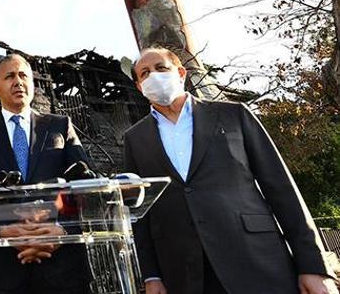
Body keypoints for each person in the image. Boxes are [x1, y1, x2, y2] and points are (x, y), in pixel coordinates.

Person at [124, 46, 337, 294]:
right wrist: (151, 276)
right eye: (145, 73)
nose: (153, 76)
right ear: (140, 87)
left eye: (161, 68)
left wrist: (313, 266)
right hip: (185, 273)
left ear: (181, 73)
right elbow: (140, 212)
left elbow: (281, 189)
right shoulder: (135, 139)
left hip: (257, 260)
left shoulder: (233, 115)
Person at [0, 54, 91, 294]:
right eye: (10, 76)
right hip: (5, 270)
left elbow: (84, 186)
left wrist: (62, 231)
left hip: (64, 268)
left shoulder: (60, 125)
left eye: (24, 75)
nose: (18, 82)